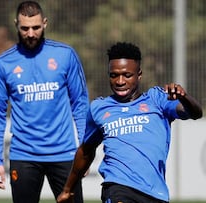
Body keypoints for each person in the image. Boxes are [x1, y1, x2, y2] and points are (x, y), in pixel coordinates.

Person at [57, 42, 203, 203]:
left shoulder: (157, 99)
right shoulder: (99, 108)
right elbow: (86, 151)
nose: (120, 81)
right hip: (117, 187)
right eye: (114, 75)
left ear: (139, 75)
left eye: (127, 75)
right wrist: (68, 189)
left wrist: (184, 97)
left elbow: (194, 113)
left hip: (155, 193)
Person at [0, 1, 89, 203]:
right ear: (16, 24)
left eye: (36, 27)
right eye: (25, 28)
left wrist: (85, 152)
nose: (31, 33)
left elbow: (80, 104)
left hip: (64, 154)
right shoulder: (3, 64)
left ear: (45, 23)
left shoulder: (65, 55)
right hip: (23, 155)